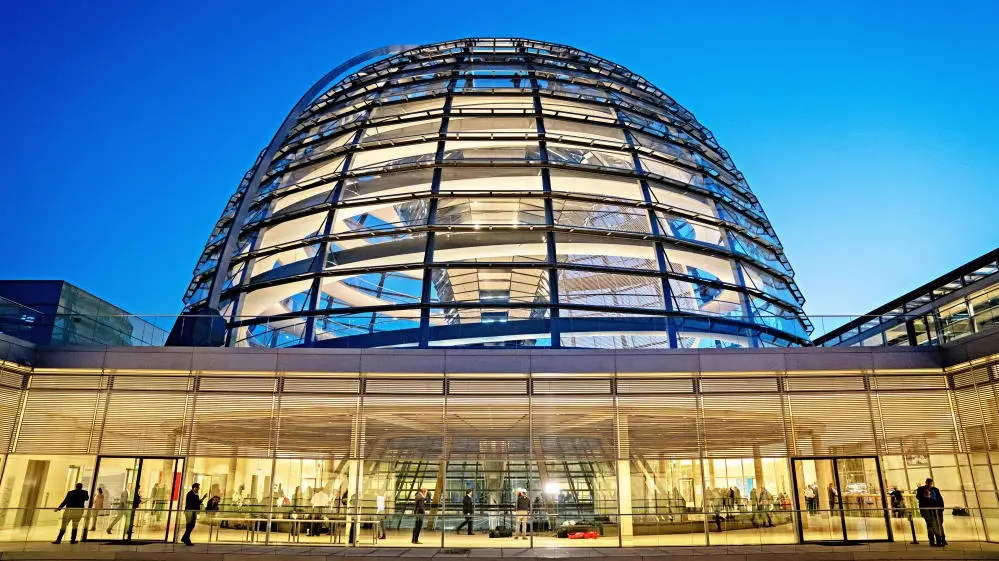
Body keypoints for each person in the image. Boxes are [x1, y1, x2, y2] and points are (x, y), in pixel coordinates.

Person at [916, 478, 947, 547]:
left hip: (936, 510)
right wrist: (925, 495)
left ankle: (941, 540)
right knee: (931, 525)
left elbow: (940, 499)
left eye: (930, 483)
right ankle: (933, 541)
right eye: (928, 483)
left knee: (938, 525)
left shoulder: (935, 489)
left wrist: (941, 508)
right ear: (926, 482)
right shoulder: (921, 489)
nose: (929, 484)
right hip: (927, 510)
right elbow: (918, 497)